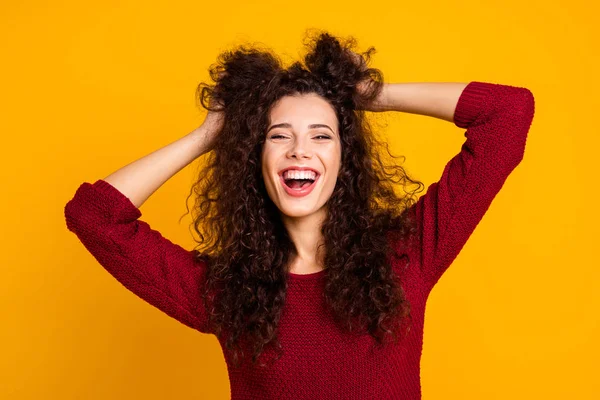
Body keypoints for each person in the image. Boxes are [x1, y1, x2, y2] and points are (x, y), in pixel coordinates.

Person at [64, 31, 535, 399]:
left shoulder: (407, 255)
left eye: (321, 135)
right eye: (278, 135)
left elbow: (508, 112)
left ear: (346, 160)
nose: (299, 151)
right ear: (254, 155)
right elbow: (93, 215)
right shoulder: (227, 291)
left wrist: (368, 94)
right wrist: (213, 131)